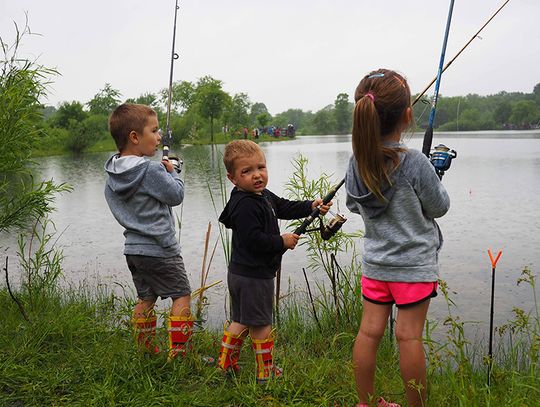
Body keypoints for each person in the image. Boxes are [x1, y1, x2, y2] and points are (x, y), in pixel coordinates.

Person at [345, 69, 450, 407]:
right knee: (409, 337)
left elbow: (353, 204)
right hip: (413, 268)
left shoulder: (356, 160)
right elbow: (439, 206)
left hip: (376, 265)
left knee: (368, 333)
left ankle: (366, 402)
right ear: (407, 115)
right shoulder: (415, 161)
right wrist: (434, 174)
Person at [217, 140, 331, 383]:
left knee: (242, 321)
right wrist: (281, 242)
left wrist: (311, 205)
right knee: (261, 325)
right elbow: (253, 240)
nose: (257, 175)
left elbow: (283, 207)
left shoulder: (261, 195)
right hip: (253, 276)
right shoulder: (245, 204)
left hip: (242, 273)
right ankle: (265, 374)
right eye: (246, 171)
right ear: (232, 178)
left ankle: (225, 364)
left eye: (261, 167)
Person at [104, 103, 193, 360]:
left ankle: (145, 351)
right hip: (160, 249)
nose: (159, 137)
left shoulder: (112, 174)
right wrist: (174, 172)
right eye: (154, 131)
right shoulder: (150, 169)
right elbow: (175, 195)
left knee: (145, 298)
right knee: (181, 295)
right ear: (134, 137)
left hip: (133, 249)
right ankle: (179, 356)